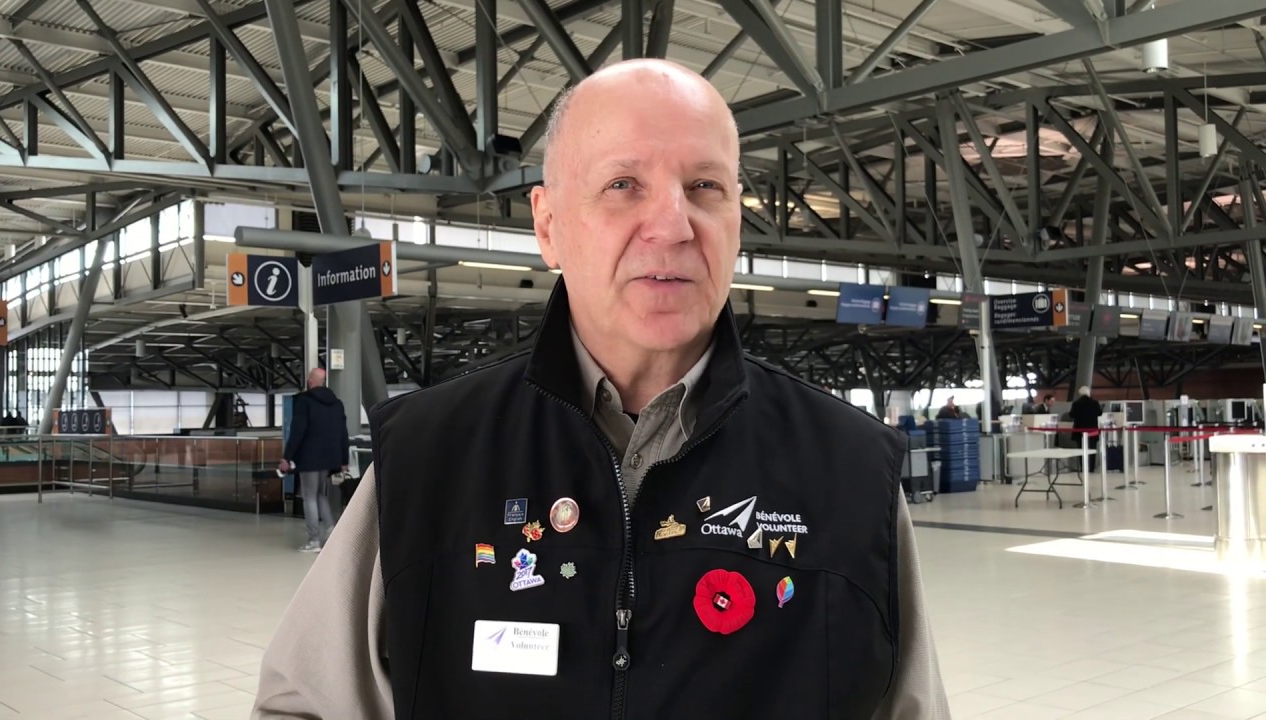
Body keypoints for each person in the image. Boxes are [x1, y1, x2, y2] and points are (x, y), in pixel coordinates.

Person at [252, 59, 949, 719]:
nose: (673, 225)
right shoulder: (427, 457)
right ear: (548, 225)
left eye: (705, 187)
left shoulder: (851, 470)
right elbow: (304, 703)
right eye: (623, 185)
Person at [278, 368, 349, 553]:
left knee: (309, 496)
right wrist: (344, 459)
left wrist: (287, 457)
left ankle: (314, 541)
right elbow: (343, 432)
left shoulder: (304, 401)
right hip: (329, 457)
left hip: (309, 457)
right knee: (319, 494)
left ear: (310, 381)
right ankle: (332, 532)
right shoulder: (337, 403)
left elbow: (297, 431)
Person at [1070, 385, 1103, 472]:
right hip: (1092, 430)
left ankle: (1083, 467)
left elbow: (1071, 415)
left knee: (1081, 450)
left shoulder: (1076, 403)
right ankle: (1091, 467)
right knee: (1092, 449)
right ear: (1089, 393)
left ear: (1080, 394)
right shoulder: (1095, 403)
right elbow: (1100, 413)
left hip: (1079, 431)